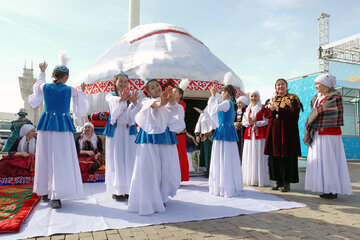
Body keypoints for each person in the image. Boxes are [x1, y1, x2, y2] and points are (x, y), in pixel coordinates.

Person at [28, 58, 88, 209]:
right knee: (60, 158)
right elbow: (80, 100)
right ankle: (56, 194)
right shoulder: (70, 90)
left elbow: (37, 88)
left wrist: (42, 71)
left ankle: (45, 191)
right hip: (62, 125)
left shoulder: (45, 86)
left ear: (54, 75)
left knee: (45, 156)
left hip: (47, 124)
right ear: (66, 76)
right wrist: (82, 90)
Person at [128, 79, 185, 215]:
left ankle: (162, 196)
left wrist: (170, 101)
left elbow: (176, 112)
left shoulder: (168, 102)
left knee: (165, 168)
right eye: (152, 88)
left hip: (165, 138)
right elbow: (156, 105)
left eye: (158, 86)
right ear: (148, 92)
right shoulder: (146, 101)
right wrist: (163, 102)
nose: (156, 88)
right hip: (149, 140)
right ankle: (150, 198)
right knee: (150, 169)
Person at [304, 73, 352, 199]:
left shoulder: (335, 96)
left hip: (330, 134)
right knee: (321, 161)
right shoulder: (316, 98)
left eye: (317, 84)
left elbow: (325, 111)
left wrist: (315, 113)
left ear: (325, 85)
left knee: (330, 161)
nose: (316, 86)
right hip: (318, 133)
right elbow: (316, 112)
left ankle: (333, 189)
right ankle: (325, 188)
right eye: (315, 84)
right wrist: (314, 114)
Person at [103, 71, 140, 201]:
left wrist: (135, 104)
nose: (123, 84)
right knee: (117, 158)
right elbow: (114, 110)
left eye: (125, 81)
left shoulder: (132, 96)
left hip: (128, 131)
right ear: (115, 82)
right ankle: (117, 190)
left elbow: (135, 115)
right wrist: (121, 100)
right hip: (117, 132)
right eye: (120, 81)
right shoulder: (110, 96)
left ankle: (129, 188)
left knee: (130, 158)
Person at [264, 78, 301, 192]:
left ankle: (286, 182)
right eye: (278, 85)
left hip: (287, 132)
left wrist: (279, 109)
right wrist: (271, 109)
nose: (280, 87)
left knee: (286, 156)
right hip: (274, 131)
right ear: (275, 87)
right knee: (274, 157)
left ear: (286, 86)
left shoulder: (293, 98)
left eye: (282, 84)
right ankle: (277, 181)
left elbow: (295, 114)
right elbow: (265, 114)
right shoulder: (272, 99)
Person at [207, 85, 243, 197]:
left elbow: (212, 109)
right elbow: (214, 114)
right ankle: (228, 184)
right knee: (227, 157)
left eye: (222, 92)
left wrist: (213, 96)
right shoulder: (230, 104)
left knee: (223, 157)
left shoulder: (227, 103)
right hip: (225, 130)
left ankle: (224, 185)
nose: (221, 94)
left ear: (226, 92)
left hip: (224, 133)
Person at [241, 90, 269, 187]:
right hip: (249, 135)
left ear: (259, 97)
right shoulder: (247, 109)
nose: (253, 98)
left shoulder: (262, 108)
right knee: (249, 155)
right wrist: (249, 123)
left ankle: (258, 178)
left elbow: (266, 120)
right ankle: (250, 178)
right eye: (252, 96)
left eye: (255, 96)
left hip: (259, 135)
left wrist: (256, 123)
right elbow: (243, 121)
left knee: (258, 155)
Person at [172, 87, 189, 182]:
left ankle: (181, 177)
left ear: (180, 95)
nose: (173, 93)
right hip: (172, 133)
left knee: (180, 155)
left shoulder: (181, 104)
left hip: (179, 134)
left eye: (175, 92)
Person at [194, 106, 214, 177]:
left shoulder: (215, 113)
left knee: (212, 154)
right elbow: (199, 123)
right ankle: (207, 170)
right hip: (204, 137)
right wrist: (197, 135)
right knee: (206, 154)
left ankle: (212, 171)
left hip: (213, 136)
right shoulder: (202, 114)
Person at [234, 96, 248, 162]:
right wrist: (235, 123)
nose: (238, 105)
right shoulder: (235, 112)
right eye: (237, 103)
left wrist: (241, 123)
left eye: (240, 103)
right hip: (236, 132)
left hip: (243, 131)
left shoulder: (246, 111)